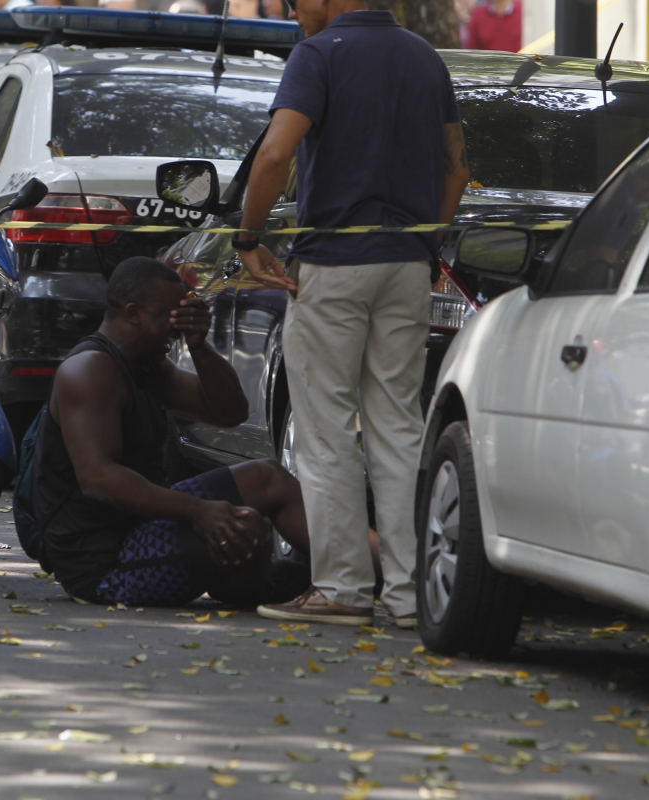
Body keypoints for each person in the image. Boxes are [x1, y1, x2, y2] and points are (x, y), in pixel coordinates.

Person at [233, 0, 470, 626]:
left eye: (297, 0)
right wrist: (427, 248)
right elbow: (457, 169)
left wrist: (248, 238)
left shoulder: (317, 56)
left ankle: (341, 588)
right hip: (407, 265)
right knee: (398, 426)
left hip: (333, 264)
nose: (292, 10)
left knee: (325, 430)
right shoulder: (425, 59)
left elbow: (275, 154)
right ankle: (411, 593)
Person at [32, 257, 313, 608]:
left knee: (268, 477)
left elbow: (231, 412)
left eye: (185, 317)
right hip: (102, 564)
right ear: (133, 313)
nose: (177, 328)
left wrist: (199, 344)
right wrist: (198, 510)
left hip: (143, 525)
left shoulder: (149, 366)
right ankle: (253, 588)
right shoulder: (89, 370)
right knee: (246, 528)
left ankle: (355, 571)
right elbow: (98, 478)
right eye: (171, 316)